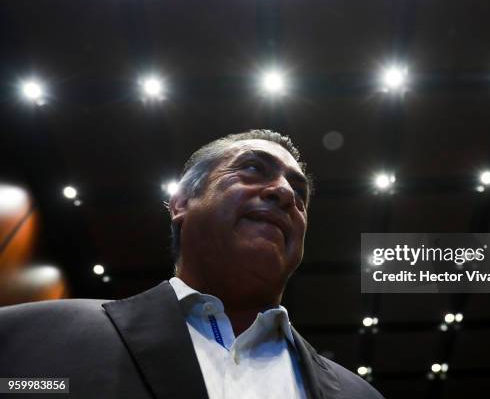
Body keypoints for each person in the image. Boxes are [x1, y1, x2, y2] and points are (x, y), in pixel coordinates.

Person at [0, 130, 384, 399]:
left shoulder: (361, 395)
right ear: (181, 203)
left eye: (299, 194)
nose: (285, 193)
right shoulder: (28, 341)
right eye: (252, 169)